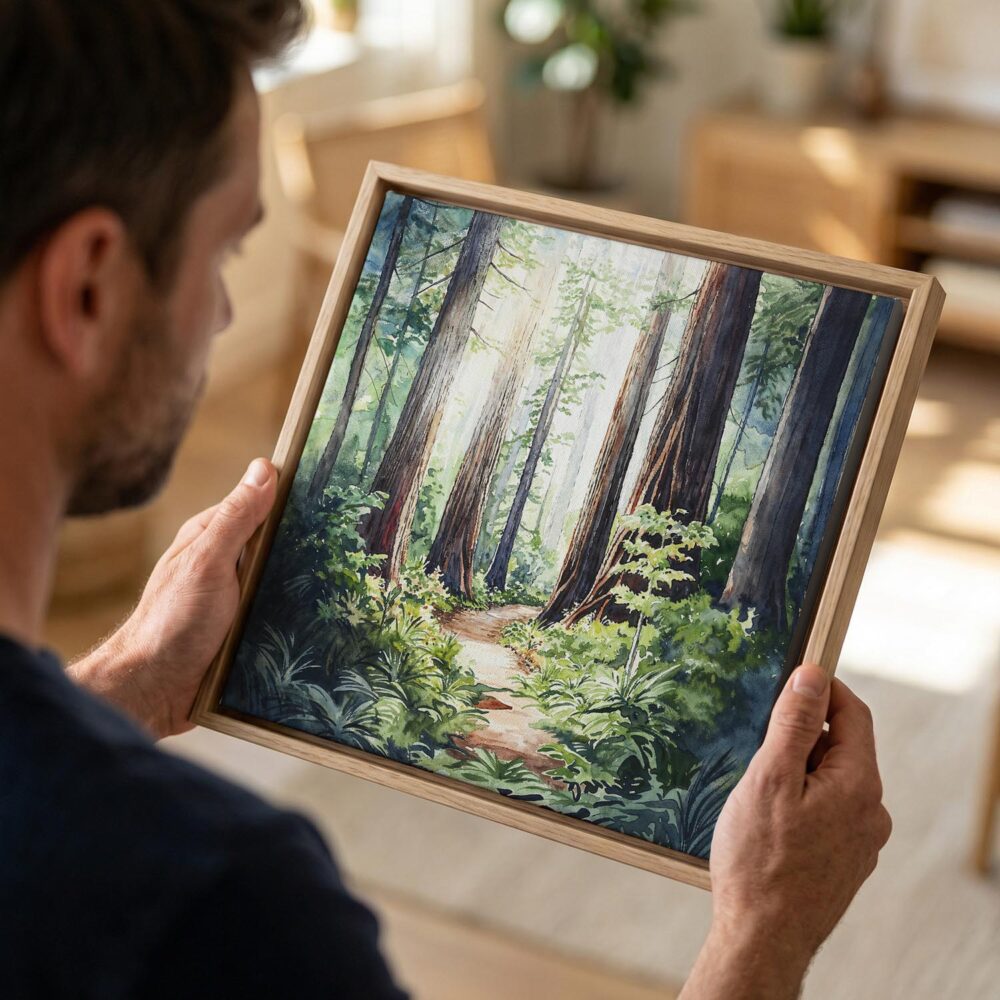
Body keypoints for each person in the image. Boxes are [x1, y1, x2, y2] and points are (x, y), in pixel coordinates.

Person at [0, 1, 891, 996]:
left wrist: (128, 682)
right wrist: (762, 932)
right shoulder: (221, 906)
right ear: (87, 285)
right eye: (222, 254)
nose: (219, 311)